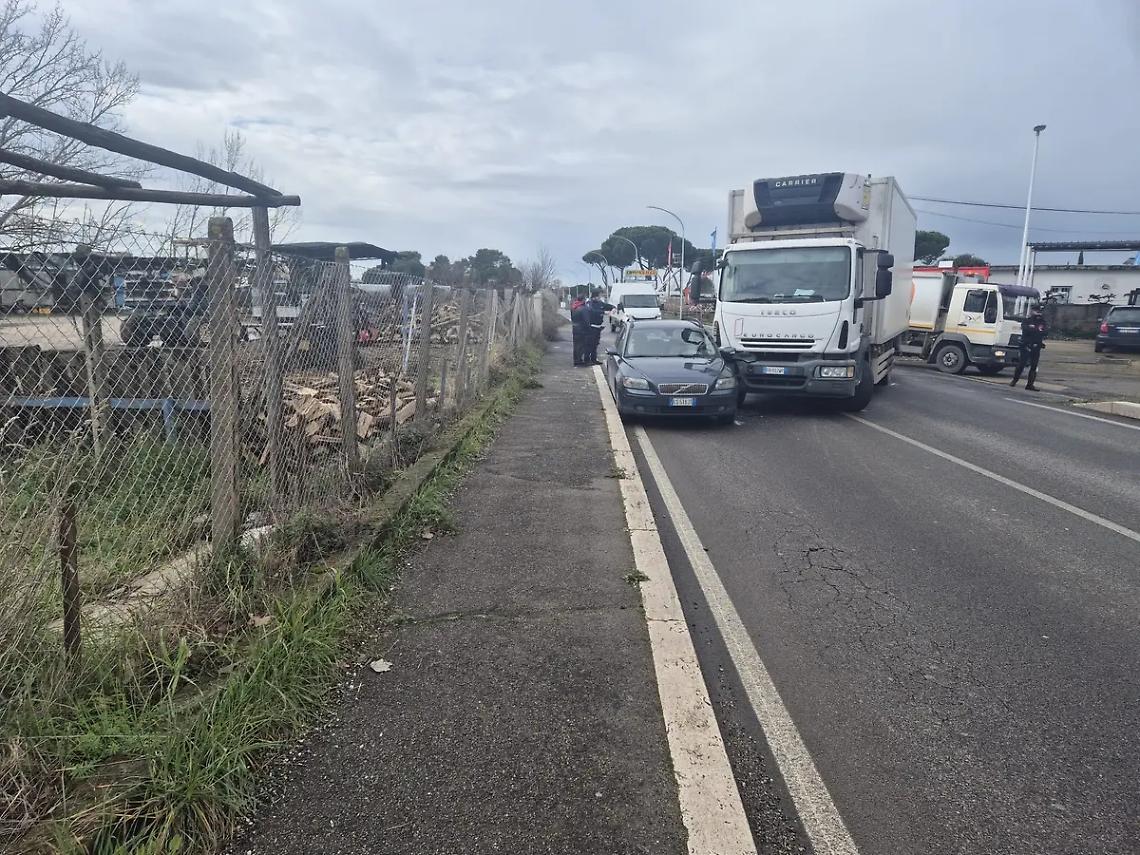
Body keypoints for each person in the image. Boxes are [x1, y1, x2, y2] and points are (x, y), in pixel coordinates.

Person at [1010, 306, 1048, 391]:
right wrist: (1036, 329)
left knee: (1034, 366)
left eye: (1039, 312)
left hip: (1036, 346)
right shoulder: (1027, 320)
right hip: (1026, 345)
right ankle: (1014, 380)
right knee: (1022, 364)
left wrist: (1035, 329)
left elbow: (1045, 332)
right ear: (1032, 311)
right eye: (1036, 311)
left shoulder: (1042, 322)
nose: (1038, 313)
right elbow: (1026, 329)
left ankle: (1030, 384)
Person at [583, 288, 615, 365]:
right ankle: (586, 360)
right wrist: (604, 312)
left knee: (595, 344)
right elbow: (592, 312)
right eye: (599, 296)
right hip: (590, 327)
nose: (600, 297)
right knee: (589, 344)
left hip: (598, 327)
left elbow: (607, 306)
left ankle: (593, 359)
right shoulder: (589, 303)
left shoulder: (600, 303)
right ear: (594, 296)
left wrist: (614, 308)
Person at [569, 295, 589, 366]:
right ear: (583, 300)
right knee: (581, 345)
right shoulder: (583, 308)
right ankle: (579, 360)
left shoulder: (573, 307)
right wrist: (588, 328)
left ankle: (576, 360)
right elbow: (586, 320)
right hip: (582, 328)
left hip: (574, 328)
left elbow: (572, 317)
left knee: (576, 345)